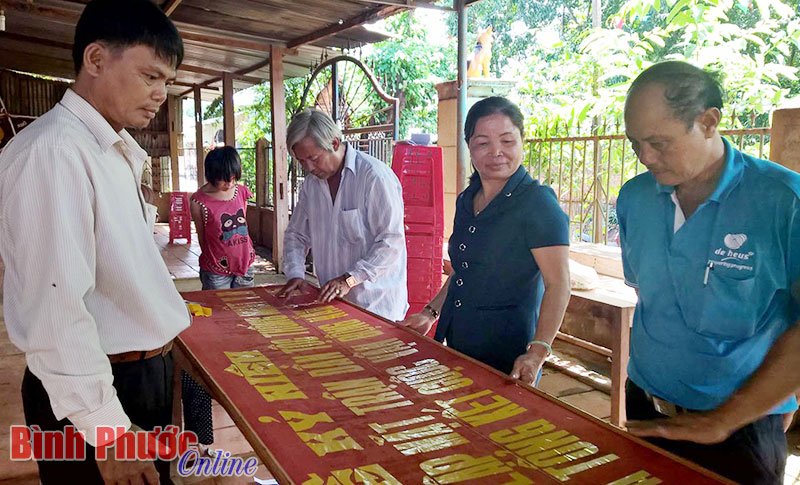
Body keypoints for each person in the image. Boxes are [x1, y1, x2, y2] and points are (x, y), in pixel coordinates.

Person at [0, 1, 189, 484]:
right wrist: (110, 433)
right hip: (97, 394)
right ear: (97, 59)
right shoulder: (55, 154)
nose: (159, 94)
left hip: (136, 378)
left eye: (166, 82)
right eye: (150, 76)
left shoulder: (110, 149)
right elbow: (55, 309)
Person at [617, 61, 800, 485]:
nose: (645, 158)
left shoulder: (782, 202)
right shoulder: (635, 198)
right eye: (634, 144)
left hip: (738, 428)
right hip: (645, 405)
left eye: (659, 143)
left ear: (708, 122)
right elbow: (649, 296)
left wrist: (727, 418)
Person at [400, 97, 571, 385]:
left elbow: (559, 283)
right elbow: (463, 272)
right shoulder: (469, 200)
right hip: (460, 342)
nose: (496, 153)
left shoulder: (537, 203)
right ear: (469, 146)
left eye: (507, 141)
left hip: (510, 353)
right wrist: (430, 313)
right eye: (483, 143)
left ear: (522, 142)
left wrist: (538, 352)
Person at [277, 109, 408, 321]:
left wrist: (349, 279)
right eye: (302, 161)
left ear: (335, 143)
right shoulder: (311, 185)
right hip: (332, 303)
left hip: (376, 306)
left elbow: (391, 242)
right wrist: (295, 274)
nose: (309, 168)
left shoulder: (374, 177)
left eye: (313, 158)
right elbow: (296, 234)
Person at [182, 146, 255, 452]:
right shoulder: (198, 201)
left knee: (243, 321)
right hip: (216, 269)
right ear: (211, 176)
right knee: (217, 324)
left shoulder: (241, 192)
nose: (228, 184)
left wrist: (244, 258)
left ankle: (242, 369)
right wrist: (214, 261)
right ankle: (219, 372)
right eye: (223, 179)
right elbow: (203, 235)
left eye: (232, 178)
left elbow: (243, 228)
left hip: (245, 264)